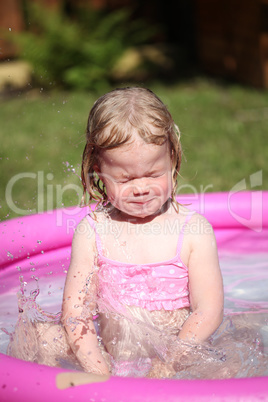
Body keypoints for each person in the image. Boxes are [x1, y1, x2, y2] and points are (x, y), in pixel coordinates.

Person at [60, 87, 224, 378]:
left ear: (171, 159)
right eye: (124, 179)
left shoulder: (193, 231)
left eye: (152, 174)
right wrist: (98, 371)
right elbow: (76, 313)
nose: (140, 188)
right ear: (98, 172)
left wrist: (166, 365)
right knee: (41, 339)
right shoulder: (93, 231)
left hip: (176, 362)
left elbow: (207, 311)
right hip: (111, 360)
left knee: (223, 369)